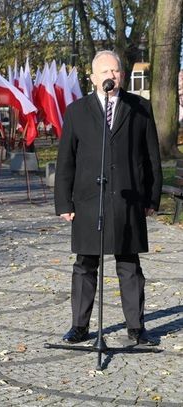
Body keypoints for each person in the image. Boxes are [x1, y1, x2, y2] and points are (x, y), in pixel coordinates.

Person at [54, 50, 162, 346]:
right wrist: (64, 202)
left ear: (122, 76)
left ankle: (136, 327)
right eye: (104, 72)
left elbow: (152, 157)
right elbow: (66, 160)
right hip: (89, 200)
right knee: (85, 264)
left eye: (115, 71)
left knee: (129, 265)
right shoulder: (77, 111)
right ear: (93, 78)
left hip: (128, 199)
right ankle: (79, 325)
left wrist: (152, 197)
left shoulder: (140, 108)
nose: (110, 76)